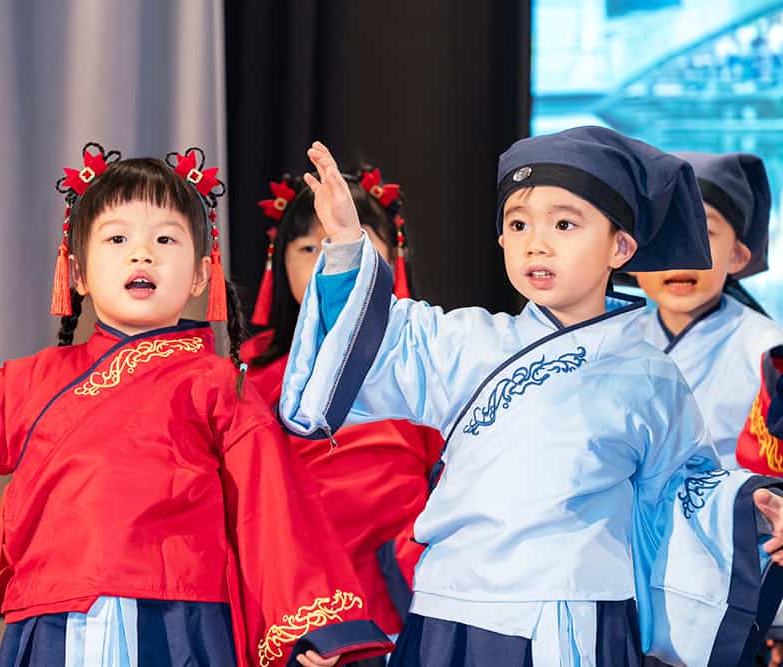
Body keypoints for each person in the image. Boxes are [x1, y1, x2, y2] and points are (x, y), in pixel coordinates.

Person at [0, 142, 393, 667]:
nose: (142, 254)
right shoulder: (35, 380)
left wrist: (311, 624)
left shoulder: (218, 387)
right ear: (76, 273)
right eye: (118, 238)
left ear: (203, 275)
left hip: (177, 620)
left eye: (164, 239)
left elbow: (271, 508)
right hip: (50, 619)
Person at [279, 132, 783, 665]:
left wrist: (756, 511)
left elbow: (686, 492)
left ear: (620, 246)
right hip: (449, 607)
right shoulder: (464, 341)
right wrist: (344, 246)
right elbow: (372, 340)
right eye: (518, 224)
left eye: (564, 224)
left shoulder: (651, 378)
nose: (536, 243)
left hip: (574, 619)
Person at [244, 167, 444, 655]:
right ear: (279, 262)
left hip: (410, 581)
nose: (330, 259)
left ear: (391, 254)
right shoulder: (251, 375)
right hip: (303, 588)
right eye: (309, 248)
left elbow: (454, 474)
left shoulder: (432, 358)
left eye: (350, 240)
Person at [634, 152, 783, 470]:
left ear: (738, 256)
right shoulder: (617, 340)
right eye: (660, 235)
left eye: (702, 233)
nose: (680, 253)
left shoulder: (765, 349)